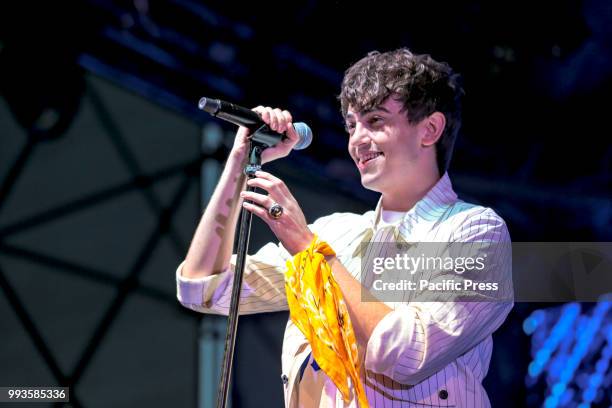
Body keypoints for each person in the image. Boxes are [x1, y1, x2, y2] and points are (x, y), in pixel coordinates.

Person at [176, 48, 513, 407]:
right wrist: (240, 160)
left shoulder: (476, 232)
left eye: (376, 121)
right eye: (352, 125)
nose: (357, 140)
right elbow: (203, 287)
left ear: (429, 129)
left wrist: (309, 249)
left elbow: (404, 354)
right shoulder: (337, 233)